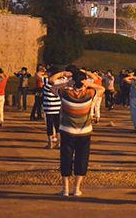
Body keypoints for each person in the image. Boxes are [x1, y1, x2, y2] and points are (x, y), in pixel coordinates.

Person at [52, 69, 105, 197]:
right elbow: (102, 89)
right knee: (82, 159)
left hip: (67, 131)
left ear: (73, 81)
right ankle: (76, 189)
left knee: (66, 159)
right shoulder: (89, 93)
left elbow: (53, 88)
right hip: (84, 133)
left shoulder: (65, 93)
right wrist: (88, 83)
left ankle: (65, 189)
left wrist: (67, 83)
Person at [40, 66, 67, 149]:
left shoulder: (47, 81)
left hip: (48, 107)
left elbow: (37, 75)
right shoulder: (62, 81)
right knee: (58, 125)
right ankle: (59, 142)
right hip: (58, 106)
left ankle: (50, 143)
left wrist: (44, 72)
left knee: (49, 125)